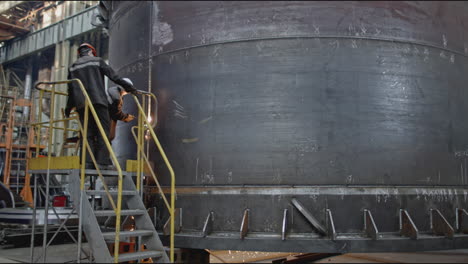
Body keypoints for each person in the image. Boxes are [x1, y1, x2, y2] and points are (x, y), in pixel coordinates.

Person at [65, 43, 137, 170]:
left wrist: (68, 107)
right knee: (103, 132)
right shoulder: (97, 61)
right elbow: (114, 77)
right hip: (98, 102)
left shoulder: (72, 67)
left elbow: (71, 90)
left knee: (87, 133)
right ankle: (102, 162)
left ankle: (87, 162)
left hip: (81, 105)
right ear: (91, 52)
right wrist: (131, 88)